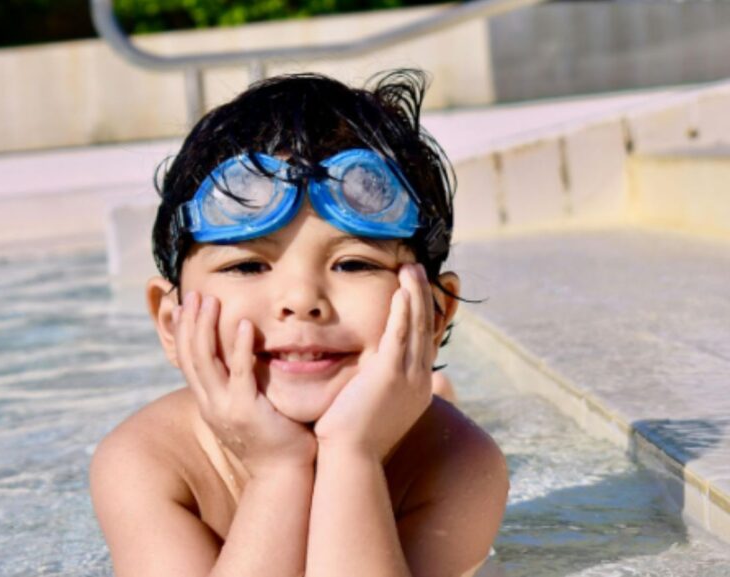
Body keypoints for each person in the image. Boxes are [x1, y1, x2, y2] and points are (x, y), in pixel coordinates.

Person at [90, 70, 509, 577]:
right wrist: (278, 470)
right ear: (171, 320)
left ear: (435, 312)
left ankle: (434, 392)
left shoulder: (457, 464)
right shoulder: (149, 462)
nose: (301, 300)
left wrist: (354, 454)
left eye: (354, 264)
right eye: (247, 266)